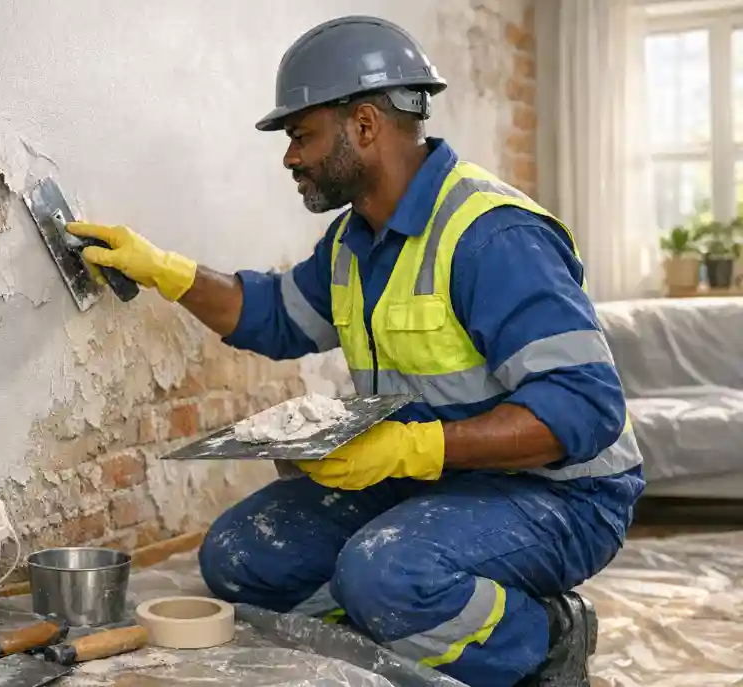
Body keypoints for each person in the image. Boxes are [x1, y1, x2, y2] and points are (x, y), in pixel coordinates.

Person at [65, 14, 644, 687]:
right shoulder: (354, 240)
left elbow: (581, 411)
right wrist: (165, 270)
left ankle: (546, 635)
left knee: (387, 574)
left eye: (301, 136)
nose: (290, 158)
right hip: (440, 473)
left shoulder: (492, 237)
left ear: (364, 125)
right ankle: (404, 615)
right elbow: (273, 315)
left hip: (561, 492)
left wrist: (408, 449)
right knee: (240, 556)